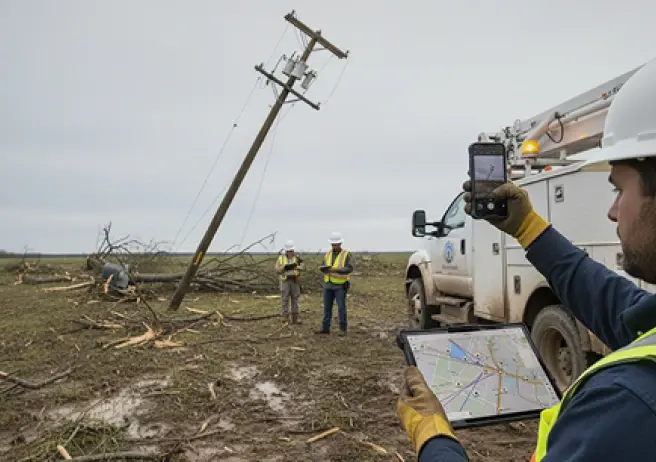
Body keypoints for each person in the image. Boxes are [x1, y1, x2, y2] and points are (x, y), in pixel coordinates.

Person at [397, 57, 656, 461]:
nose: (612, 211)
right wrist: (529, 229)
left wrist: (435, 439)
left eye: (619, 189)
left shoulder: (627, 404)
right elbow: (622, 310)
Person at [315, 231, 353, 336]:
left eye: (336, 244)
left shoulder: (346, 254)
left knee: (341, 308)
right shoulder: (327, 254)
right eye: (332, 244)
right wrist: (323, 269)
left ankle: (342, 329)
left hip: (340, 286)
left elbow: (349, 268)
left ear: (340, 244)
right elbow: (323, 265)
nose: (334, 246)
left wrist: (336, 269)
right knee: (327, 308)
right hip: (328, 284)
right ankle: (325, 328)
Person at [274, 240, 303, 325]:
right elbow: (276, 270)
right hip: (285, 281)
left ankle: (295, 318)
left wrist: (298, 268)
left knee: (295, 299)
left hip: (295, 280)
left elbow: (303, 267)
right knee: (285, 299)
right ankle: (285, 318)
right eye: (289, 251)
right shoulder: (281, 258)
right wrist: (284, 268)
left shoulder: (297, 258)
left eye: (292, 251)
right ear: (286, 251)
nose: (291, 252)